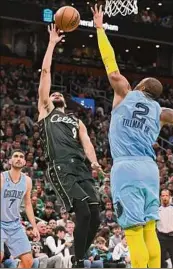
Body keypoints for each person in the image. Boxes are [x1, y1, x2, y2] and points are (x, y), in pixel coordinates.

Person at [91, 4, 173, 268]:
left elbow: (111, 67)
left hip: (126, 166)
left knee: (133, 231)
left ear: (141, 86)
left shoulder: (125, 92)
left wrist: (99, 28)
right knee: (148, 229)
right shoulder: (161, 111)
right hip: (150, 170)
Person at [37, 23, 101, 267]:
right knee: (83, 212)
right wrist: (52, 44)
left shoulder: (76, 120)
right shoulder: (46, 112)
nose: (55, 95)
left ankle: (78, 256)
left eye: (57, 94)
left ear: (64, 100)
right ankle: (79, 260)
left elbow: (87, 143)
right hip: (61, 165)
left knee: (95, 217)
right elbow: (45, 73)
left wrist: (94, 161)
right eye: (52, 94)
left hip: (81, 167)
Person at [0, 149, 40, 268]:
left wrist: (34, 226)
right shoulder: (2, 177)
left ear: (24, 162)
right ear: (10, 161)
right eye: (16, 156)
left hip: (15, 224)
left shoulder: (27, 181)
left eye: (21, 157)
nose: (18, 158)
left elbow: (28, 204)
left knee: (28, 262)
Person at [157, 189, 173, 267]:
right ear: (160, 197)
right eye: (163, 195)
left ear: (170, 197)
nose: (164, 197)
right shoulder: (156, 210)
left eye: (166, 195)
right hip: (161, 238)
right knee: (160, 263)